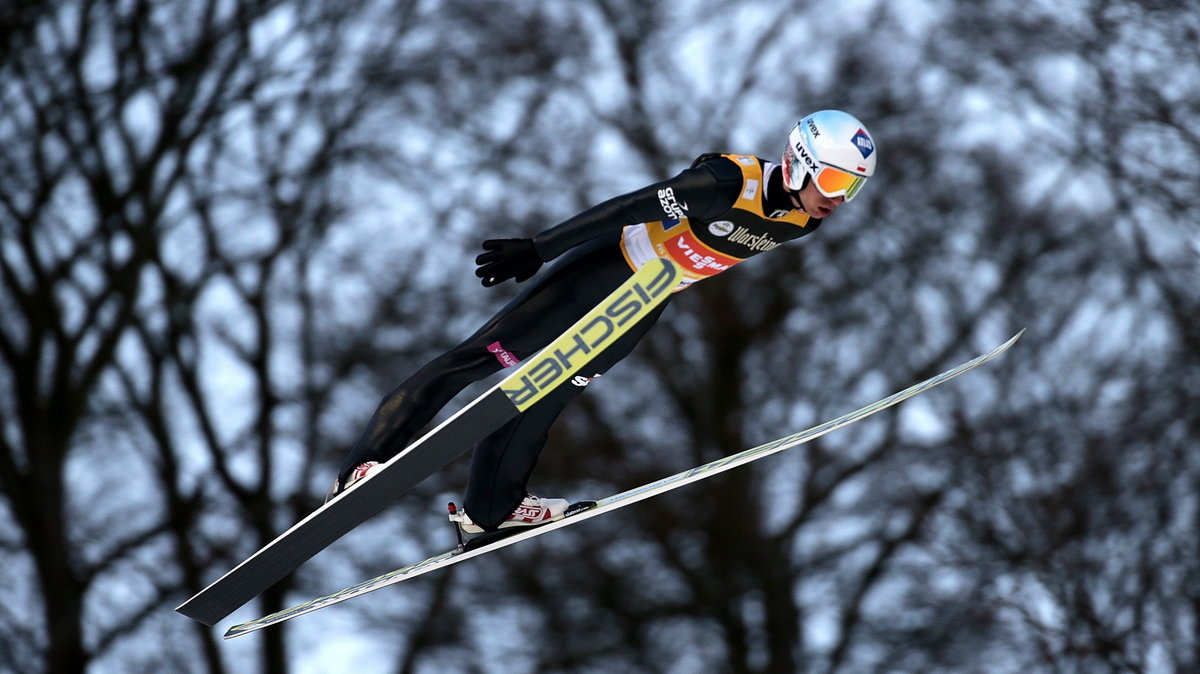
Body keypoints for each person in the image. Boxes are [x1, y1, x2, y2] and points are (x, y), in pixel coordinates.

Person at [331, 110, 878, 534]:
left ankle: (489, 513)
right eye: (834, 182)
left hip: (645, 301)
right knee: (480, 360)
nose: (837, 200)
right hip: (605, 271)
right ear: (801, 159)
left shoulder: (804, 222)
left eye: (850, 189)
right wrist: (539, 248)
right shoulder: (728, 182)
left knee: (546, 396)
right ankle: (364, 467)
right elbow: (627, 207)